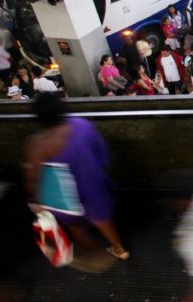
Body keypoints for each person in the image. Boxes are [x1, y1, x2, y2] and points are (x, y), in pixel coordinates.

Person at [23, 93, 130, 263]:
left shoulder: (38, 144)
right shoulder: (82, 125)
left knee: (74, 223)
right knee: (102, 218)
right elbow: (102, 151)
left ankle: (95, 252)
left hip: (65, 193)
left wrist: (36, 200)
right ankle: (119, 249)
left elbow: (32, 177)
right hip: (92, 182)